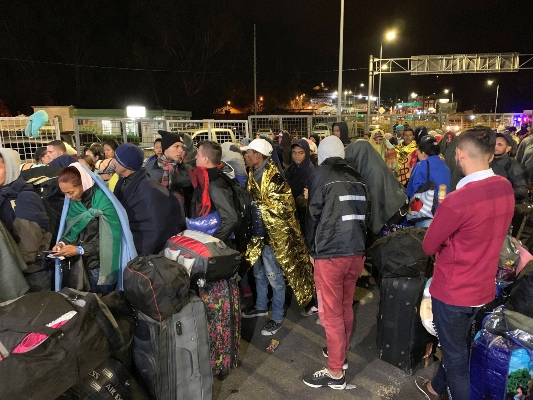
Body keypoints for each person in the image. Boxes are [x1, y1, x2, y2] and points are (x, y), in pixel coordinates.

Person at [415, 127, 515, 400]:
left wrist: (447, 243)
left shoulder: (458, 200)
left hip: (454, 291)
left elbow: (428, 245)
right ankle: (436, 388)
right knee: (457, 346)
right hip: (482, 287)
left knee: (456, 357)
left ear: (459, 154)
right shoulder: (504, 187)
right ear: (491, 155)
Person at [302, 136, 369, 390]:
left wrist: (312, 248)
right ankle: (340, 352)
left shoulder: (320, 174)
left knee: (330, 314)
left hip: (330, 253)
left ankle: (335, 372)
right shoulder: (358, 175)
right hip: (356, 252)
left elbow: (313, 214)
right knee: (344, 306)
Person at [240, 138, 314, 335]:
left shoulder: (275, 178)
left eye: (249, 152)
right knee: (258, 274)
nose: (246, 155)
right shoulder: (252, 172)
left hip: (273, 238)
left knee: (275, 278)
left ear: (259, 155)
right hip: (257, 235)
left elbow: (284, 208)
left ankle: (277, 317)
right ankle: (261, 305)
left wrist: (257, 207)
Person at [52, 163, 132, 294]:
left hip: (101, 268)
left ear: (83, 183)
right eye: (64, 193)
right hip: (81, 265)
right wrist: (62, 243)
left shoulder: (105, 205)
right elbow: (73, 230)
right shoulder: (75, 203)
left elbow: (110, 242)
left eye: (70, 192)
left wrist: (79, 250)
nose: (68, 197)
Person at [113, 143, 185, 254]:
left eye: (116, 159)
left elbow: (152, 227)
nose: (113, 162)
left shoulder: (148, 191)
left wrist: (140, 257)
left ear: (126, 164)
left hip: (146, 254)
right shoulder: (125, 181)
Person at [0, 148, 52, 291]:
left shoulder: (24, 198)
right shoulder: (4, 194)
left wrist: (11, 267)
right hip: (12, 270)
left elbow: (30, 243)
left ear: (11, 168)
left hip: (31, 272)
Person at [188, 141, 238, 244]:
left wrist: (214, 242)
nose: (196, 158)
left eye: (198, 155)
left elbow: (230, 219)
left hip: (216, 248)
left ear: (205, 159)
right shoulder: (205, 179)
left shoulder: (215, 183)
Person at [406, 136, 451, 228]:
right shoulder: (444, 165)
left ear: (423, 153)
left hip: (426, 213)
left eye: (418, 152)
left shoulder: (421, 165)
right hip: (443, 212)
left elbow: (411, 189)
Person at [158, 130, 193, 218]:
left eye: (181, 147)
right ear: (165, 149)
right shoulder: (151, 169)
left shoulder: (188, 170)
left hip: (183, 219)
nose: (180, 150)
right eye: (176, 146)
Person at [284, 139, 315, 234]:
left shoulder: (310, 172)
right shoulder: (289, 170)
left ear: (306, 153)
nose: (297, 156)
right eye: (294, 152)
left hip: (304, 218)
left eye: (300, 153)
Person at [490, 133, 529, 203]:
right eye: (494, 144)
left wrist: (501, 194)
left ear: (508, 148)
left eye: (500, 144)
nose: (495, 147)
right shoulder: (487, 161)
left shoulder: (513, 165)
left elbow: (522, 190)